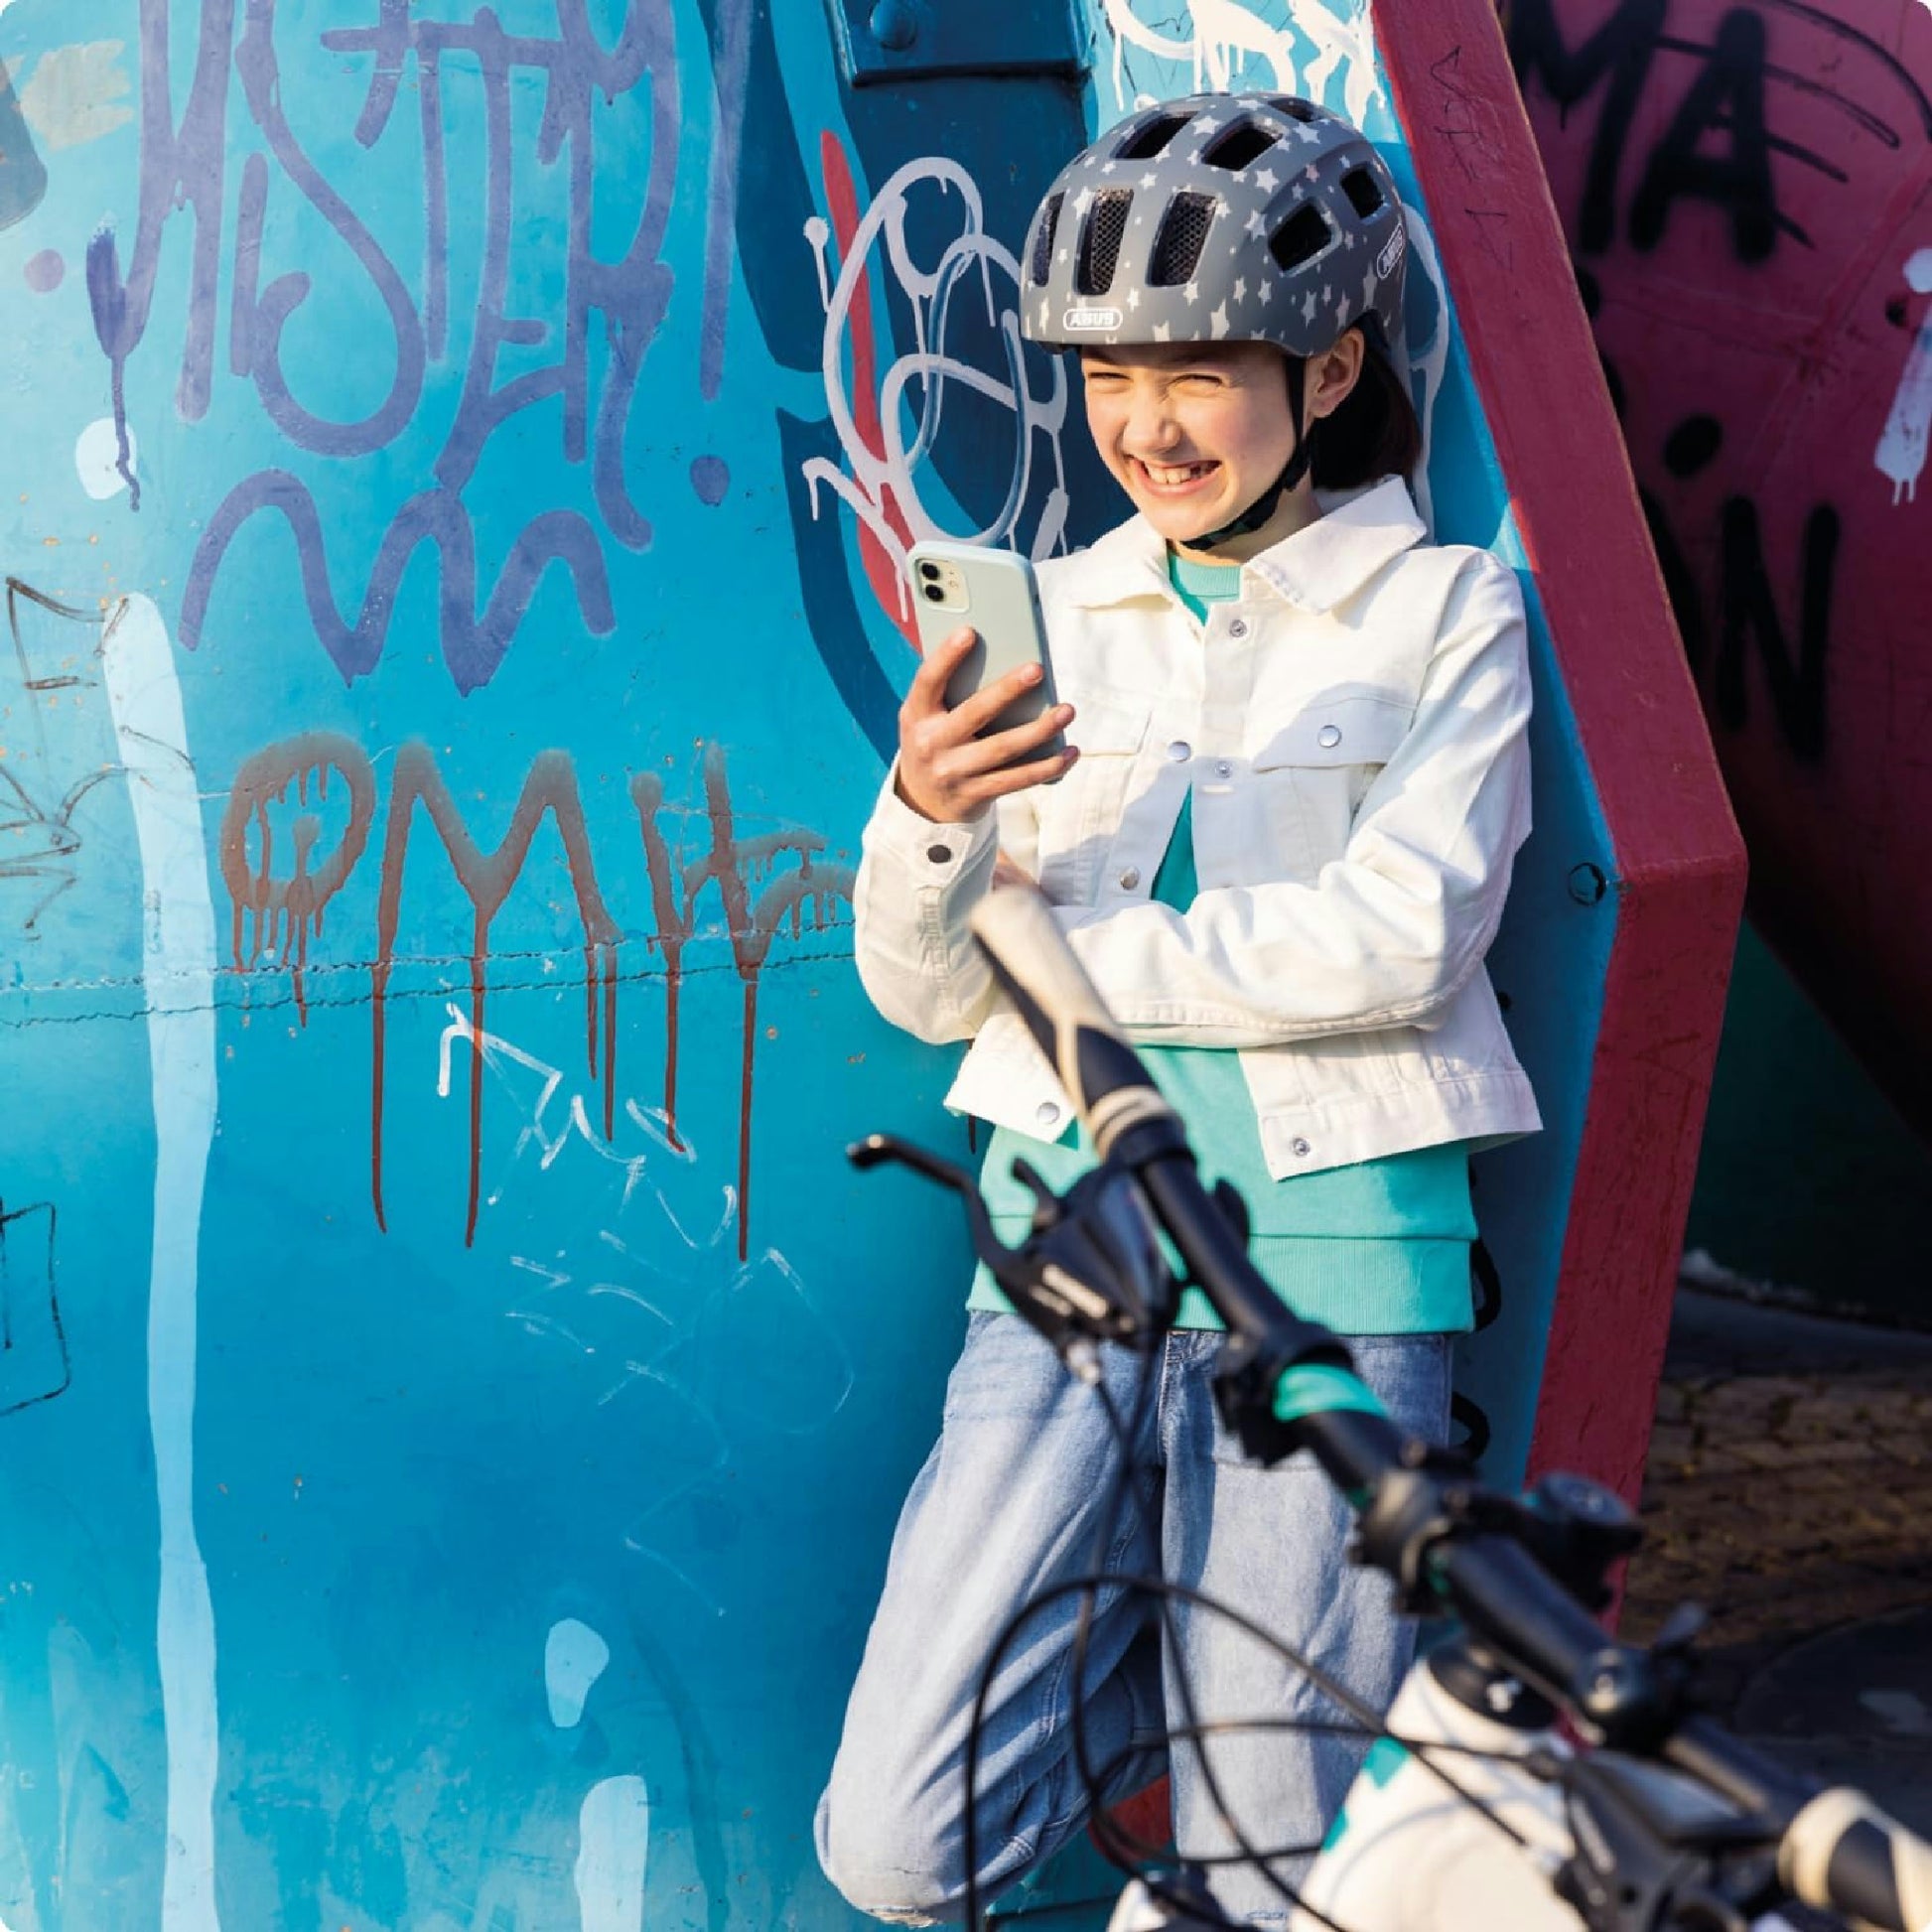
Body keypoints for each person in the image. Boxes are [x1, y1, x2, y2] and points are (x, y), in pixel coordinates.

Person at [817, 90, 1541, 1929]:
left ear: (1328, 367)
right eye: (1109, 377)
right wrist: (928, 817)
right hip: (1061, 1255)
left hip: (1334, 1270)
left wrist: (1065, 961)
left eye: (1198, 372)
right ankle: (1236, 1667)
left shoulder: (1445, 609)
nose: (1145, 424)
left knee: (1270, 1863)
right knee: (894, 1834)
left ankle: (1290, 1706)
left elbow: (1401, 937)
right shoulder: (1052, 615)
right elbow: (922, 989)